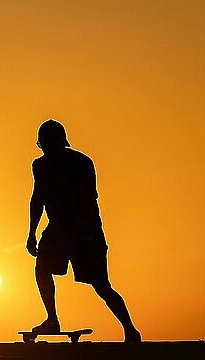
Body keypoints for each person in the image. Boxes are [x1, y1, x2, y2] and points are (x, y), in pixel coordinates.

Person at [26, 120, 141, 342]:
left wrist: (73, 235)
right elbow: (37, 198)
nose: (49, 150)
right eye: (45, 146)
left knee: (101, 285)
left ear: (62, 143)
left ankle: (130, 329)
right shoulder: (39, 166)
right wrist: (31, 232)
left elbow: (87, 202)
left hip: (87, 230)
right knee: (42, 267)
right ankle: (52, 319)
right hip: (57, 227)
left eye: (53, 144)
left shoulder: (82, 163)